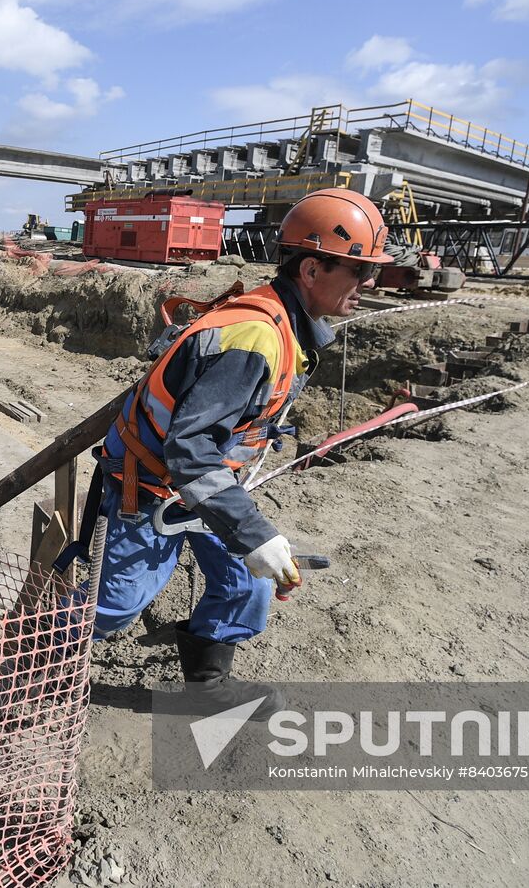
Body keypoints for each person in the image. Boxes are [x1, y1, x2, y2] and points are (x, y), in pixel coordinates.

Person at [93, 188, 392, 718]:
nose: (369, 285)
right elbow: (189, 448)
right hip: (153, 482)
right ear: (311, 271)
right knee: (116, 607)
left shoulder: (288, 324)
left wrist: (248, 537)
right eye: (359, 271)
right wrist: (251, 533)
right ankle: (30, 659)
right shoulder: (255, 338)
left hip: (207, 483)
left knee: (248, 582)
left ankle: (207, 689)